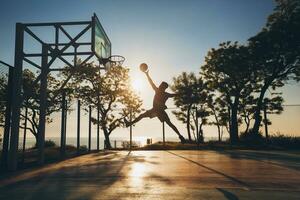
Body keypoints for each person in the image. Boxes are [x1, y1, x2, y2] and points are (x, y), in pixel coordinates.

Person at [124, 69, 186, 143]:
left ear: (163, 87)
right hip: (155, 111)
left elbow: (175, 95)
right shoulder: (161, 92)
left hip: (158, 111)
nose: (159, 86)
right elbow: (151, 82)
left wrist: (182, 93)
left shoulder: (162, 93)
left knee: (169, 123)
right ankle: (129, 123)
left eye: (161, 85)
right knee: (142, 116)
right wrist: (147, 74)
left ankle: (180, 136)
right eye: (160, 85)